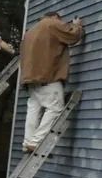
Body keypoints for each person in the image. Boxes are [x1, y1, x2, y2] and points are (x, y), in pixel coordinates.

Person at [19, 10, 85, 153]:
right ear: (55, 17)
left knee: (34, 110)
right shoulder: (51, 23)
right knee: (55, 108)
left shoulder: (30, 32)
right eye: (60, 20)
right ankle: (36, 142)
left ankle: (27, 142)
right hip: (47, 77)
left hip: (30, 79)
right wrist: (77, 26)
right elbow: (73, 36)